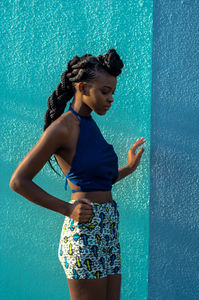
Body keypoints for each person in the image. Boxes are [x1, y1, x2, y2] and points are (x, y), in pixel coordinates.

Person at [9, 48, 146, 300]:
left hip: (108, 229)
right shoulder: (63, 127)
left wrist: (128, 168)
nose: (111, 98)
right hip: (85, 230)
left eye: (112, 92)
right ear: (82, 88)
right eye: (105, 91)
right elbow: (18, 181)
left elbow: (95, 180)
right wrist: (67, 208)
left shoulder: (91, 125)